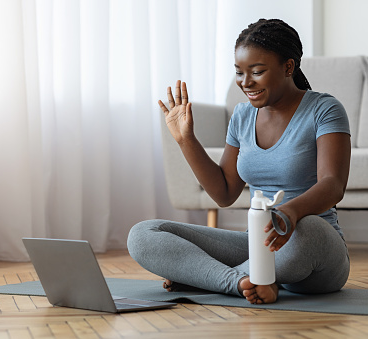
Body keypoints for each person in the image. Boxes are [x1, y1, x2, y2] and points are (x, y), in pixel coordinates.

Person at [127, 18, 351, 304]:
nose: (246, 83)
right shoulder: (242, 116)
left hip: (314, 247)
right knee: (144, 233)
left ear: (288, 67)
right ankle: (241, 282)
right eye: (239, 72)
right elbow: (224, 193)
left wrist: (288, 213)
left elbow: (333, 184)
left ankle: (207, 277)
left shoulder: (324, 109)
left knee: (308, 229)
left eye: (257, 72)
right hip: (257, 245)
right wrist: (186, 140)